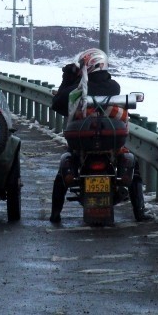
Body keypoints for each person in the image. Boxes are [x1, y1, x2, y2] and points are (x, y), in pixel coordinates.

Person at [50, 48, 123, 223]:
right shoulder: (114, 86)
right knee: (133, 169)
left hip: (82, 142)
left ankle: (55, 213)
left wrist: (68, 78)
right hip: (109, 140)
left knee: (63, 172)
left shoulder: (78, 89)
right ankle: (140, 211)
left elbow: (58, 104)